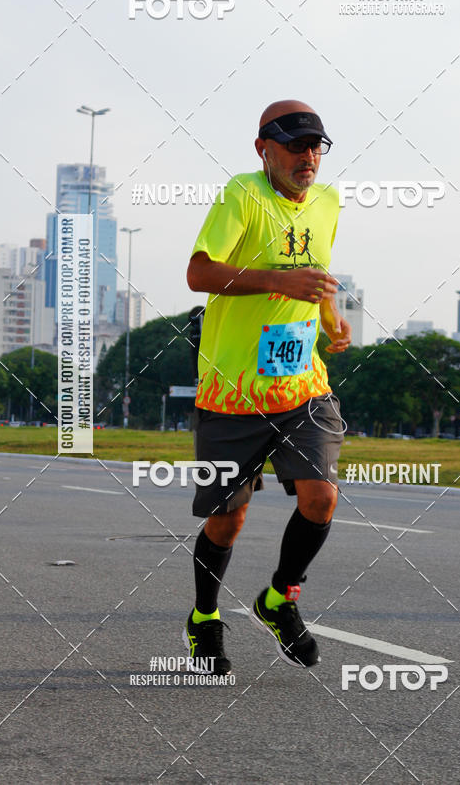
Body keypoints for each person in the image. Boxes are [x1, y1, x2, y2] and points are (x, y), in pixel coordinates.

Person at [183, 99, 351, 674]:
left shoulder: (328, 202)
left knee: (321, 497)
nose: (308, 156)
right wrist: (276, 279)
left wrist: (331, 320)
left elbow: (319, 273)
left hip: (302, 385)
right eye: (296, 145)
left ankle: (280, 598)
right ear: (264, 149)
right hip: (233, 390)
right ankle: (204, 618)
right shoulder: (242, 194)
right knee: (229, 518)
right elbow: (199, 272)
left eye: (316, 146)